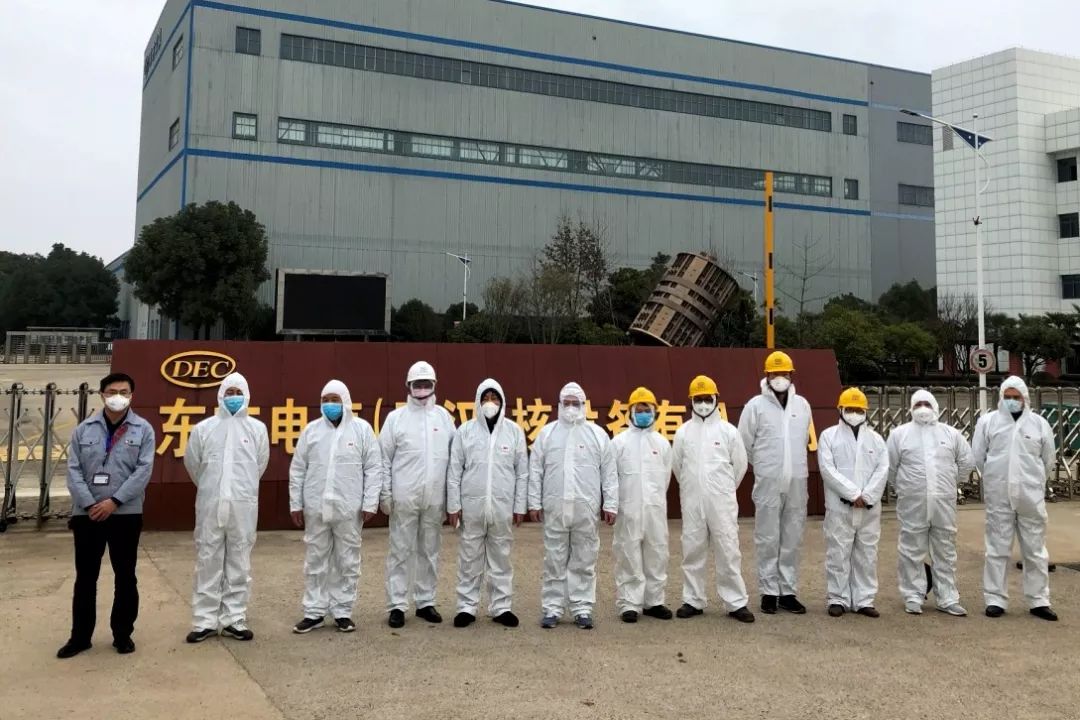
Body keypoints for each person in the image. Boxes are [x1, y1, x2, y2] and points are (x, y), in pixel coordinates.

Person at [57, 372, 155, 659]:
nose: (117, 397)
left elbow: (143, 471)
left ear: (132, 395)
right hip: (87, 515)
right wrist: (90, 504)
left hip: (126, 513)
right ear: (101, 394)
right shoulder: (83, 430)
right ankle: (80, 637)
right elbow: (73, 471)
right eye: (112, 391)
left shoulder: (143, 430)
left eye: (124, 392)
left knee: (125, 576)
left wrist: (114, 501)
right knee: (85, 578)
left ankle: (122, 635)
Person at [289, 380, 383, 634]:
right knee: (315, 560)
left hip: (349, 508)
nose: (330, 404)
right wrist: (296, 503)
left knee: (347, 560)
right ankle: (314, 612)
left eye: (335, 399)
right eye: (325, 400)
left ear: (346, 401)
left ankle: (343, 611)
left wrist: (370, 502)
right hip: (316, 507)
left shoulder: (361, 430)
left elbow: (374, 468)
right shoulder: (311, 431)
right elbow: (298, 469)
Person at [183, 373, 269, 643]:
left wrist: (239, 491)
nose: (233, 397)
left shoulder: (257, 429)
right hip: (210, 505)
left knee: (239, 562)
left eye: (238, 392)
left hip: (243, 507)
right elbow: (193, 465)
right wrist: (212, 489)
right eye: (229, 392)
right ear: (220, 395)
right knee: (207, 561)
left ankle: (234, 618)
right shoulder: (204, 429)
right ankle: (204, 620)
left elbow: (260, 465)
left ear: (247, 395)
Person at [528, 382, 617, 629]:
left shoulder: (597, 435)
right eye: (566, 403)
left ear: (583, 405)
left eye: (575, 403)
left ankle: (582, 608)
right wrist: (533, 502)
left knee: (584, 559)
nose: (570, 407)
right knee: (553, 558)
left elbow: (609, 473)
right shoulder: (547, 434)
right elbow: (535, 470)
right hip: (555, 507)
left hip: (585, 510)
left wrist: (611, 504)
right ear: (559, 404)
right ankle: (552, 608)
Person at [973, 376, 1058, 621]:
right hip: (999, 495)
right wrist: (994, 479)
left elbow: (1048, 460)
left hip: (1030, 497)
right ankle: (995, 599)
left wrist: (1034, 482)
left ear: (1025, 398)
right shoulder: (988, 422)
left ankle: (1039, 601)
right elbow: (978, 456)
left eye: (1016, 397)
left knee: (1035, 550)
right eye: (1007, 397)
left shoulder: (1039, 424)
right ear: (1001, 397)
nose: (1011, 401)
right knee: (997, 549)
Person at [446, 379, 528, 628]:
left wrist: (519, 507)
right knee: (469, 559)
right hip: (472, 508)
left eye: (494, 398)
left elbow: (522, 473)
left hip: (502, 507)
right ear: (477, 402)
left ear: (502, 402)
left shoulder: (514, 432)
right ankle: (466, 607)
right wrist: (453, 505)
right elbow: (454, 471)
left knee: (501, 559)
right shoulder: (465, 432)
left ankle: (501, 607)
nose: (490, 403)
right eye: (485, 398)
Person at [672, 375, 754, 623]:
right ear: (691, 401)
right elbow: (677, 466)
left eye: (707, 398)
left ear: (716, 399)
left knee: (728, 550)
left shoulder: (729, 431)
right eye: (698, 399)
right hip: (692, 501)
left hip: (722, 502)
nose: (703, 404)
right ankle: (693, 600)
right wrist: (694, 488)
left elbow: (740, 465)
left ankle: (735, 602)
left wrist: (723, 489)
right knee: (692, 550)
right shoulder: (683, 432)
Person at [381, 361, 456, 628]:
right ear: (408, 386)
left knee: (429, 551)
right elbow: (383, 459)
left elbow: (455, 461)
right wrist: (385, 494)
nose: (422, 389)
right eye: (417, 384)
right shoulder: (396, 419)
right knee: (400, 552)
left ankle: (425, 602)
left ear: (434, 385)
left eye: (427, 384)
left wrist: (452, 500)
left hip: (434, 499)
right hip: (404, 499)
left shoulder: (444, 418)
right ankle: (397, 605)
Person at [737, 351, 812, 615]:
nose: (780, 377)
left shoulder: (802, 405)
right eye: (775, 373)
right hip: (768, 482)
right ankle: (769, 592)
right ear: (766, 375)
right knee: (767, 537)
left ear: (792, 375)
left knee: (792, 536)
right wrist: (765, 466)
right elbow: (744, 444)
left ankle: (787, 592)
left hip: (797, 482)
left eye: (784, 373)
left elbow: (803, 440)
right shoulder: (755, 406)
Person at [886, 389, 973, 617]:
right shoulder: (899, 435)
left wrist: (950, 483)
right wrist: (905, 487)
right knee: (911, 550)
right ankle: (913, 596)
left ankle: (948, 597)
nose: (922, 408)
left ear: (935, 406)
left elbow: (966, 461)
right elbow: (891, 467)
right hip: (912, 503)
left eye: (926, 403)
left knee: (945, 550)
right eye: (918, 404)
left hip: (944, 503)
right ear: (911, 408)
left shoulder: (951, 434)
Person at [818, 388, 889, 618]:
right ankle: (837, 598)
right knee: (838, 553)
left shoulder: (876, 440)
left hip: (869, 508)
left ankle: (864, 600)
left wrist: (867, 496)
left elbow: (882, 470)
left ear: (866, 412)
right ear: (840, 410)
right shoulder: (829, 436)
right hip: (840, 507)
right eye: (850, 409)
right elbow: (827, 469)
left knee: (867, 555)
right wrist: (852, 494)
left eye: (859, 410)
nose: (854, 414)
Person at [612, 387, 673, 623]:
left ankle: (653, 601)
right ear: (630, 412)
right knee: (628, 555)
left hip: (655, 510)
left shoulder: (662, 443)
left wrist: (654, 499)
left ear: (655, 411)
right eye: (639, 409)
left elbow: (666, 477)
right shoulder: (619, 443)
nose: (643, 413)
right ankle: (629, 603)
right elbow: (611, 477)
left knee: (657, 553)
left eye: (647, 409)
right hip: (628, 509)